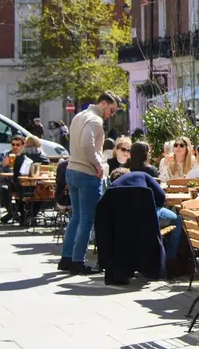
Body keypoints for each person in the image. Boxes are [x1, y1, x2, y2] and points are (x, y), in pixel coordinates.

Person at [60, 92, 120, 275]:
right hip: (86, 173)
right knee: (87, 219)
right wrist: (98, 164)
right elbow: (87, 143)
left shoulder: (79, 115)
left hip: (72, 170)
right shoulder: (95, 120)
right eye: (111, 109)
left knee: (76, 217)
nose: (111, 114)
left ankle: (66, 258)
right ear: (103, 104)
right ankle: (78, 261)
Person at [108, 167, 183, 258]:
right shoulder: (141, 175)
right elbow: (161, 197)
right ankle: (170, 257)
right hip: (148, 215)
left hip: (124, 222)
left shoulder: (112, 187)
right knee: (177, 220)